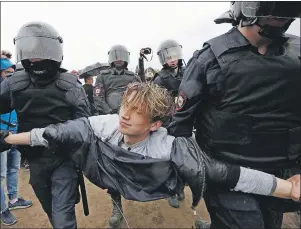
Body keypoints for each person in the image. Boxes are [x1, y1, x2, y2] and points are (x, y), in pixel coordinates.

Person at [3, 82, 300, 228]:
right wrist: (7, 138)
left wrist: (288, 188)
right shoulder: (103, 125)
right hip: (110, 178)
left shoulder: (171, 148)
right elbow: (52, 132)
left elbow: (230, 174)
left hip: (160, 182)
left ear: (156, 124)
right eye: (124, 107)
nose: (124, 116)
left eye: (136, 113)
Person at [168, 2, 301, 229]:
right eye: (271, 5)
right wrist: (188, 173)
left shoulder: (296, 54)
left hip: (282, 176)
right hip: (228, 177)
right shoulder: (209, 59)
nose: (279, 14)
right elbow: (180, 126)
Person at [0, 21, 91, 229]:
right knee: (51, 211)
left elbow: (85, 125)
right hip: (35, 161)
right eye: (31, 50)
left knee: (62, 219)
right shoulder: (14, 84)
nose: (35, 56)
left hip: (64, 160)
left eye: (41, 50)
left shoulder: (69, 85)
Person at [152, 39, 186, 207]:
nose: (172, 59)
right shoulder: (160, 78)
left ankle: (179, 187)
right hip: (168, 122)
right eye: (168, 57)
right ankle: (169, 189)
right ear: (163, 60)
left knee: (184, 156)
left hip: (186, 120)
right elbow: (157, 103)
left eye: (174, 56)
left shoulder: (188, 72)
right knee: (168, 157)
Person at [0, 56, 32, 226]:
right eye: (7, 73)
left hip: (16, 133)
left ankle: (13, 199)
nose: (11, 77)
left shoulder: (16, 90)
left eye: (13, 73)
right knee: (0, 174)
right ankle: (2, 209)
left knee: (13, 168)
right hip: (2, 137)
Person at [93, 44, 141, 115]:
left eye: (122, 56)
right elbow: (98, 97)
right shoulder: (102, 76)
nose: (118, 59)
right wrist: (108, 111)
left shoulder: (134, 77)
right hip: (108, 115)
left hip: (129, 114)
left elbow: (140, 97)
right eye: (116, 56)